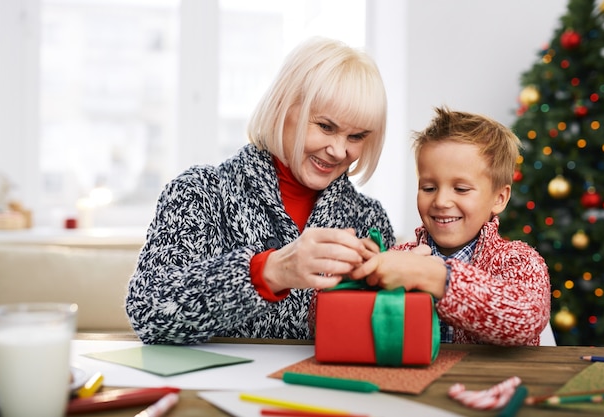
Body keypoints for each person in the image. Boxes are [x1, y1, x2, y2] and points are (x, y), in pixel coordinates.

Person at [125, 37, 395, 344]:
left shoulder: (369, 218)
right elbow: (148, 312)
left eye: (356, 136)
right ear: (282, 106)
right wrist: (267, 273)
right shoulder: (199, 193)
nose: (338, 150)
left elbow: (376, 340)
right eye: (325, 127)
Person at [350, 106, 551, 346]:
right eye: (429, 188)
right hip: (412, 381)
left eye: (461, 189)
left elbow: (526, 319)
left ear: (499, 198)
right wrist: (356, 276)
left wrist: (437, 278)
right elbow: (324, 323)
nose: (441, 201)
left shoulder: (518, 261)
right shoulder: (398, 257)